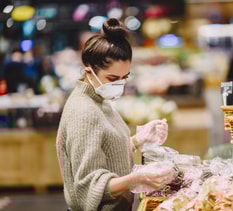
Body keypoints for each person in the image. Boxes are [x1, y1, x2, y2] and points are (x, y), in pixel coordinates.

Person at [56, 18, 174, 211]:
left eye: (124, 78)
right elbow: (87, 186)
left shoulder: (99, 99)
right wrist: (135, 180)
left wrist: (137, 140)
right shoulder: (84, 111)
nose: (119, 84)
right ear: (89, 71)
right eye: (112, 78)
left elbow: (102, 150)